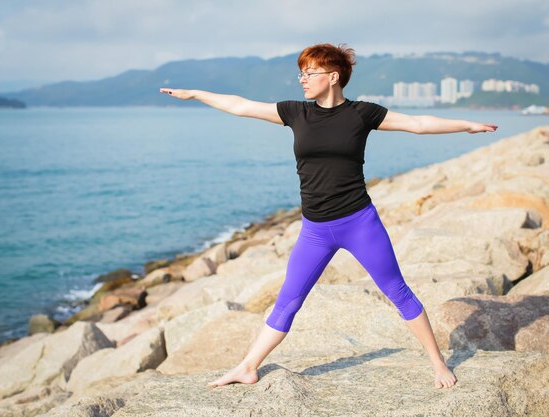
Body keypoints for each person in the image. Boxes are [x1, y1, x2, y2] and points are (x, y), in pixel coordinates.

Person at [159, 43, 497, 390]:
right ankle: (247, 367)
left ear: (333, 76)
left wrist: (466, 125)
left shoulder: (362, 114)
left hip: (359, 223)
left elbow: (417, 123)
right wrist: (196, 94)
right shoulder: (295, 113)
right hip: (315, 230)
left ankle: (438, 363)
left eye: (310, 72)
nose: (303, 79)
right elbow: (241, 105)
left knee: (397, 291)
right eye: (301, 73)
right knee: (288, 300)